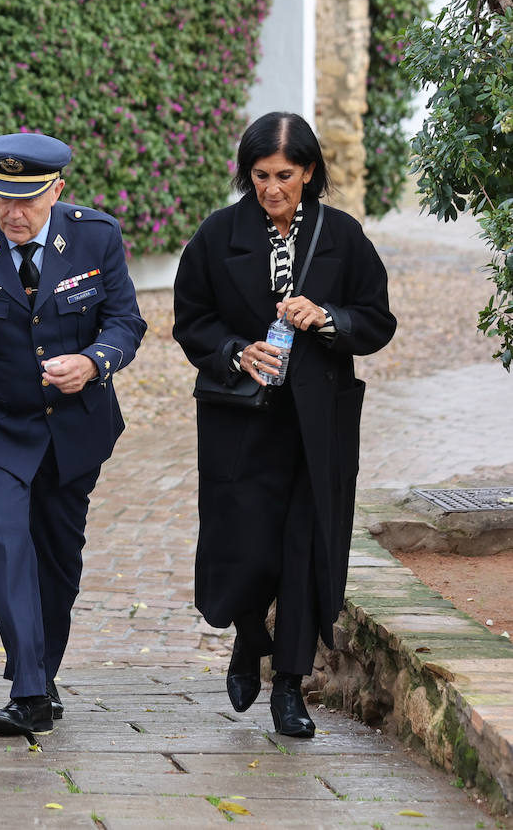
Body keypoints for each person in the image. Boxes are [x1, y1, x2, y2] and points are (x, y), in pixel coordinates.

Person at [172, 112, 395, 738]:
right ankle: (249, 638)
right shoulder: (217, 235)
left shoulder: (343, 236)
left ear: (310, 172)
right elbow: (190, 321)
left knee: (304, 549)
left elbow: (377, 321)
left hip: (317, 422)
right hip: (239, 420)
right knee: (246, 544)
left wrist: (327, 317)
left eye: (286, 175)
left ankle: (290, 687)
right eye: (261, 175)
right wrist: (237, 351)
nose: (273, 188)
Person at [0, 133, 145, 736]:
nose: (14, 214)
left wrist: (93, 363)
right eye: (3, 199)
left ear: (55, 191)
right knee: (3, 540)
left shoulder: (94, 236)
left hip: (71, 427)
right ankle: (28, 688)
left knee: (58, 557)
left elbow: (125, 320)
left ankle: (43, 671)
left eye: (27, 200)